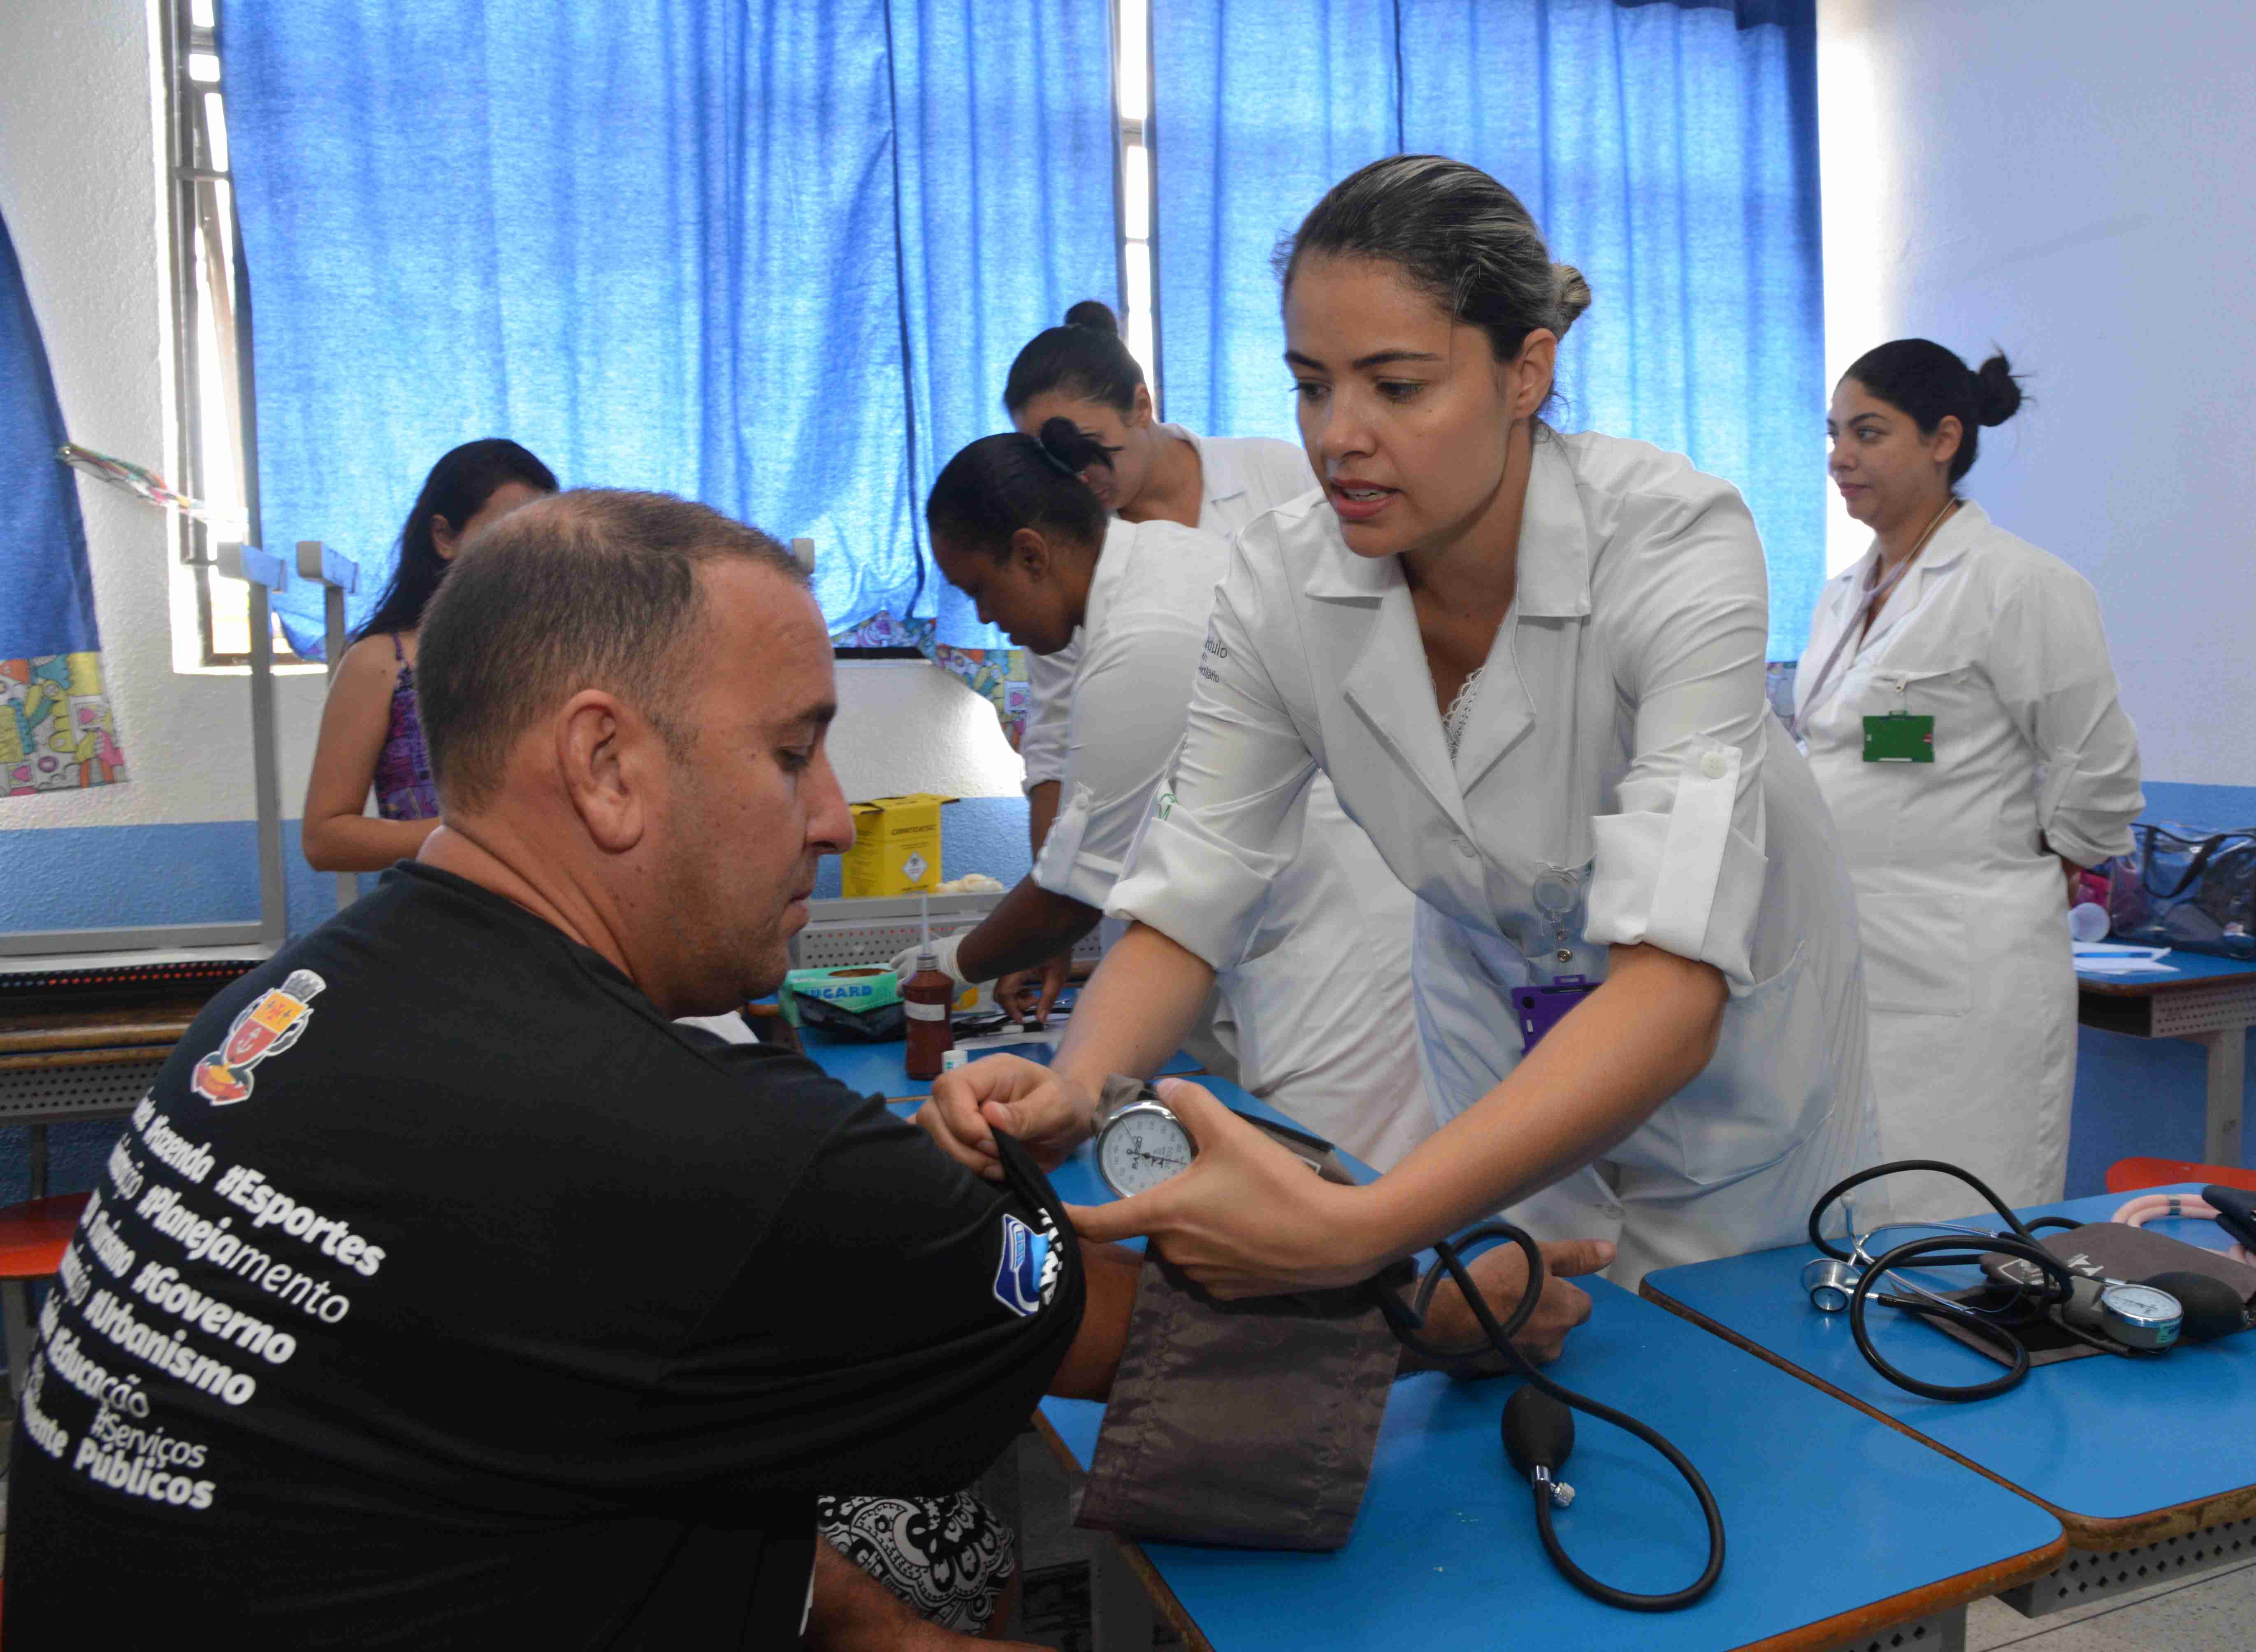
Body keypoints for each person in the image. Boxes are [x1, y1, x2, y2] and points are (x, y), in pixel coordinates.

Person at [2, 489, 1584, 1649]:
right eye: (789, 750)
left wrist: (876, 1625)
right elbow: (1135, 1329)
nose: (831, 813)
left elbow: (514, 1462)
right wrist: (1431, 1295)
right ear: (605, 765)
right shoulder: (699, 1157)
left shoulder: (274, 1014)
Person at [920, 155, 1880, 1294]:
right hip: (1499, 1042)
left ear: (1527, 371)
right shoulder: (1282, 580)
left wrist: (1357, 1228)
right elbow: (1190, 889)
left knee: (1756, 1389)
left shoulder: (1675, 543)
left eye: (1397, 386)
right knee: (1531, 1357)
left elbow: (1672, 990)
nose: (1339, 437)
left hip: (1734, 1081)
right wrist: (1077, 1086)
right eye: (1313, 386)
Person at [890, 419, 1427, 1168]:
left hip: (1332, 968)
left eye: (980, 589)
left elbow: (1072, 897)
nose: (983, 617)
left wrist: (936, 966)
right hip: (1273, 939)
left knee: (1347, 1222)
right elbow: (1086, 846)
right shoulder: (1155, 566)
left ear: (1032, 553)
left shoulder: (1146, 639)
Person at [1796, 341, 2142, 1219]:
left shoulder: (2019, 585)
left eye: (1868, 433)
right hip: (1852, 954)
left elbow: (2096, 766)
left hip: (1967, 962)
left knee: (1960, 1215)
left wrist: (2032, 874)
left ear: (1943, 437)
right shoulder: (1843, 593)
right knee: (1854, 1213)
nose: (1841, 455)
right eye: (1834, 433)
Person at [301, 437, 557, 873]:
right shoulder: (383, 662)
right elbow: (325, 838)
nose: (527, 557)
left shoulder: (563, 654)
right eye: (508, 533)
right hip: (442, 911)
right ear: (443, 537)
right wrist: (476, 838)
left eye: (543, 535)